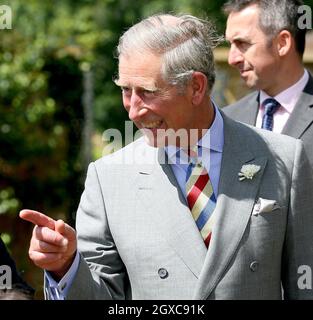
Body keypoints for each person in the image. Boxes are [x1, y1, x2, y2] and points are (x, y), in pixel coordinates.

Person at [20, 13, 313, 300]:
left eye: (147, 92)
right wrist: (65, 267)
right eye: (125, 90)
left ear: (196, 87)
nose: (133, 110)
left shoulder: (283, 157)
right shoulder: (108, 178)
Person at [222, 0, 313, 168]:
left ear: (282, 43)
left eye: (242, 43)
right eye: (230, 44)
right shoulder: (227, 120)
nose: (232, 59)